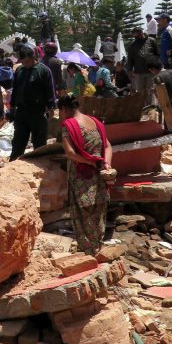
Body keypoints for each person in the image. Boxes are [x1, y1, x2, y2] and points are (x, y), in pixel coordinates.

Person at [58, 94, 113, 255]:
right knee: (99, 209)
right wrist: (106, 163)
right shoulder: (95, 122)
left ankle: (89, 250)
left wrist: (88, 162)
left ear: (64, 109)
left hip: (81, 175)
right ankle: (98, 245)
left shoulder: (68, 125)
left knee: (83, 212)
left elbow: (70, 153)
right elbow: (108, 146)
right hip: (100, 175)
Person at [8, 45, 56, 160]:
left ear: (33, 57)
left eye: (27, 61)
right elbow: (15, 89)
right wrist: (12, 106)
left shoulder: (44, 71)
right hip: (21, 113)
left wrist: (51, 108)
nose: (25, 64)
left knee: (39, 144)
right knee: (18, 143)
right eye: (23, 62)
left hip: (37, 113)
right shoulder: (20, 70)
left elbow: (50, 90)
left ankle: (40, 167)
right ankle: (13, 165)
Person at [127, 27, 158, 101]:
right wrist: (129, 70)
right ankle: (143, 108)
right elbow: (130, 59)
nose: (136, 37)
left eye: (137, 35)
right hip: (138, 72)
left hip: (151, 71)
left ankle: (151, 108)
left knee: (150, 91)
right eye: (134, 36)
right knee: (140, 92)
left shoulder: (152, 41)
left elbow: (157, 55)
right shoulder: (133, 45)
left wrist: (157, 68)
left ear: (142, 33)